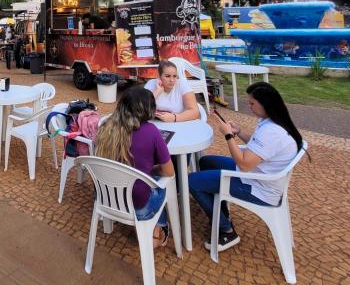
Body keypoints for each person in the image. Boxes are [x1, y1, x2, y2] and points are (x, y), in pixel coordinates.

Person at [188, 82, 303, 252]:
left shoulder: (272, 132)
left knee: (191, 182)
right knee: (206, 162)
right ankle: (220, 206)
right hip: (259, 175)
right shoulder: (274, 122)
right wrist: (239, 131)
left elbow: (244, 164)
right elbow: (259, 148)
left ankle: (226, 230)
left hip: (257, 186)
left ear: (265, 104)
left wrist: (228, 136)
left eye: (252, 103)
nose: (249, 107)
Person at [96, 87, 175, 248]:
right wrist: (150, 171)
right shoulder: (151, 131)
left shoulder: (106, 126)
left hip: (107, 199)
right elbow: (169, 172)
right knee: (162, 181)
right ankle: (157, 232)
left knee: (144, 178)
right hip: (139, 206)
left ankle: (150, 231)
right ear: (148, 109)